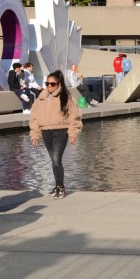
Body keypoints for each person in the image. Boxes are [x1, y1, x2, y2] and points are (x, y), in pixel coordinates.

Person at [29, 70, 83, 199]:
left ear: (59, 84)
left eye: (52, 84)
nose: (49, 86)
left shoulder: (66, 97)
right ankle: (58, 185)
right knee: (54, 161)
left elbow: (74, 116)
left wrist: (73, 133)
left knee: (56, 159)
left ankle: (61, 187)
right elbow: (34, 117)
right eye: (47, 83)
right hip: (46, 132)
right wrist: (35, 134)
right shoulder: (41, 98)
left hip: (60, 131)